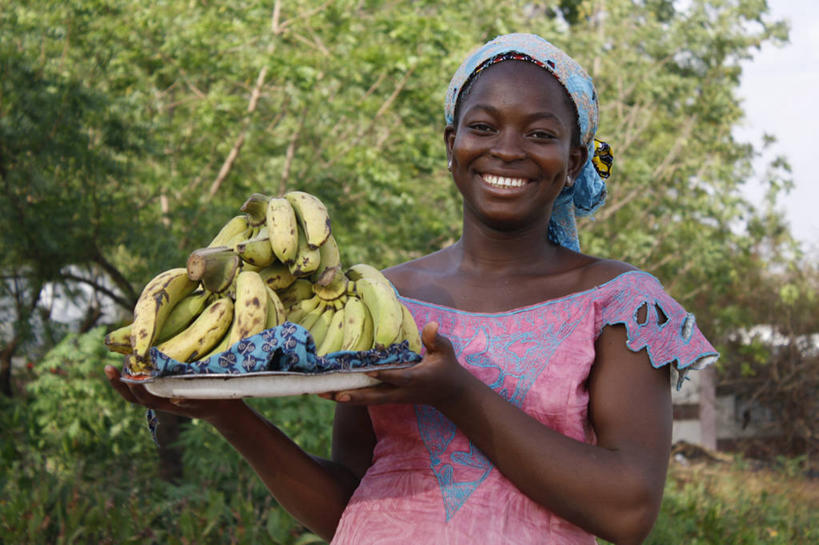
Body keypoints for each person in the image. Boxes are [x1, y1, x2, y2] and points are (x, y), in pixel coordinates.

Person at [106, 33, 718, 545]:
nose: (506, 149)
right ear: (451, 143)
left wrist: (457, 393)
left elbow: (629, 510)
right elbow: (343, 505)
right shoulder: (379, 298)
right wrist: (228, 415)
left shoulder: (623, 303)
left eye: (538, 133)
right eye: (483, 126)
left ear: (576, 159)